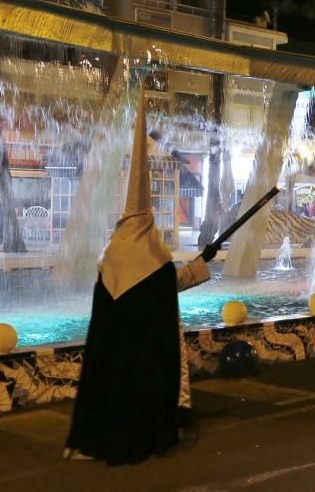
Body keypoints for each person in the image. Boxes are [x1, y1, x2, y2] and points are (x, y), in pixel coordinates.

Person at [65, 92, 211, 466]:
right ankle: (137, 438)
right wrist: (200, 264)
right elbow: (167, 289)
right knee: (137, 391)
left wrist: (199, 262)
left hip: (109, 356)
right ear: (146, 225)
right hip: (140, 359)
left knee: (107, 388)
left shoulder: (111, 258)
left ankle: (91, 439)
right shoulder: (153, 260)